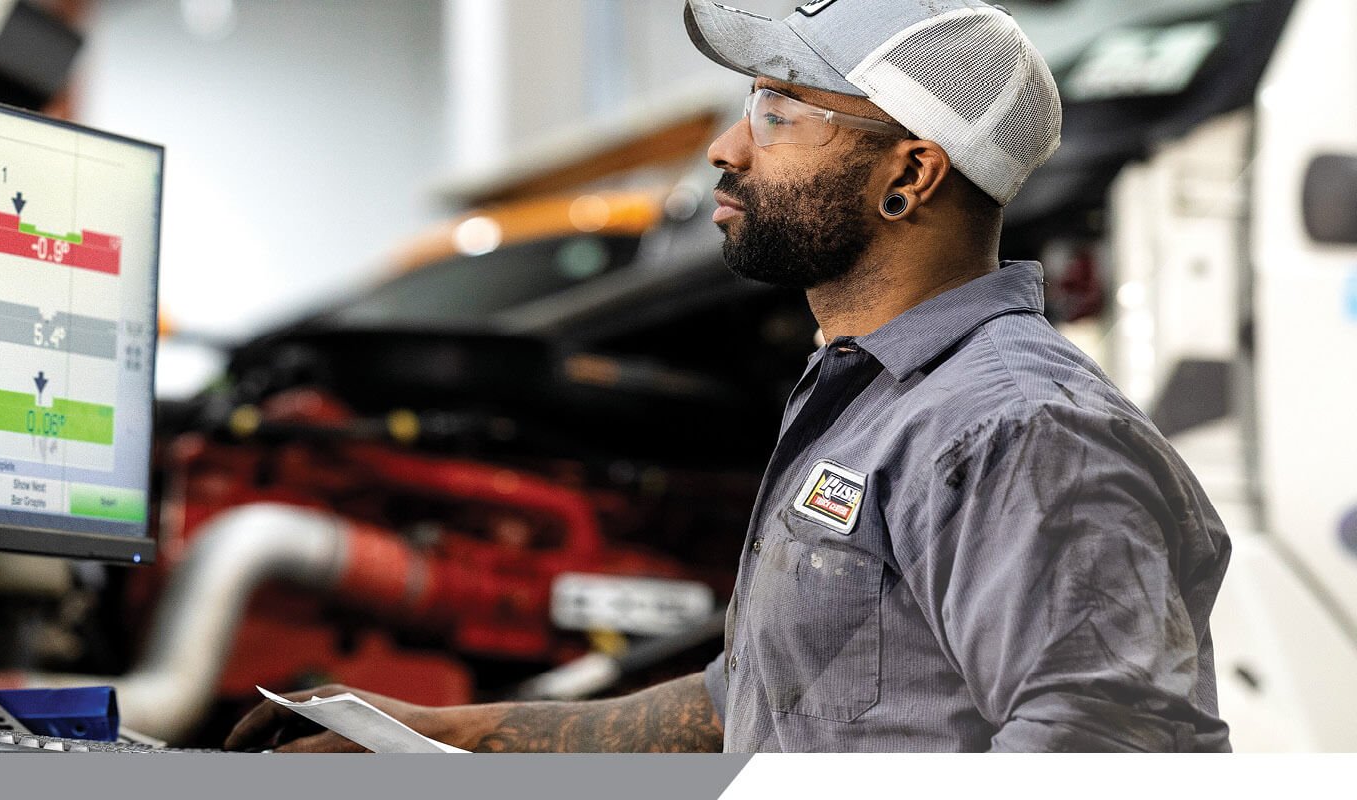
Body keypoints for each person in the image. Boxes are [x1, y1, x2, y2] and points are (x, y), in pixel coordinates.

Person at [227, 0, 1232, 753]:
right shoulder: (870, 402)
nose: (725, 147)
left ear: (911, 174)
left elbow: (1115, 752)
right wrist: (440, 737)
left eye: (780, 112)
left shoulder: (1016, 429)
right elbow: (747, 704)